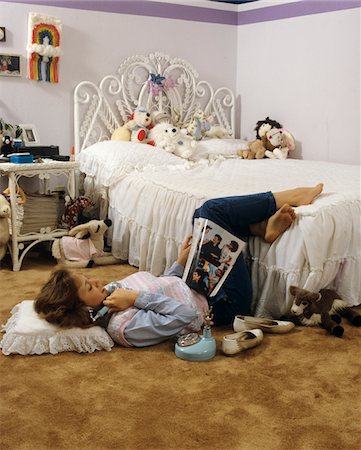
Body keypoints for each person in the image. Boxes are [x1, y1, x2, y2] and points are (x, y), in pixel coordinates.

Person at [35, 184, 323, 347]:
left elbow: (161, 287)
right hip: (221, 306)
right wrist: (136, 298)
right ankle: (281, 201)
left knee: (201, 216)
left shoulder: (111, 295)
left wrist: (178, 263)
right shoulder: (125, 326)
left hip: (197, 282)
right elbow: (184, 316)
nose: (97, 281)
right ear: (84, 309)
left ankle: (259, 229)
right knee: (212, 211)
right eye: (89, 286)